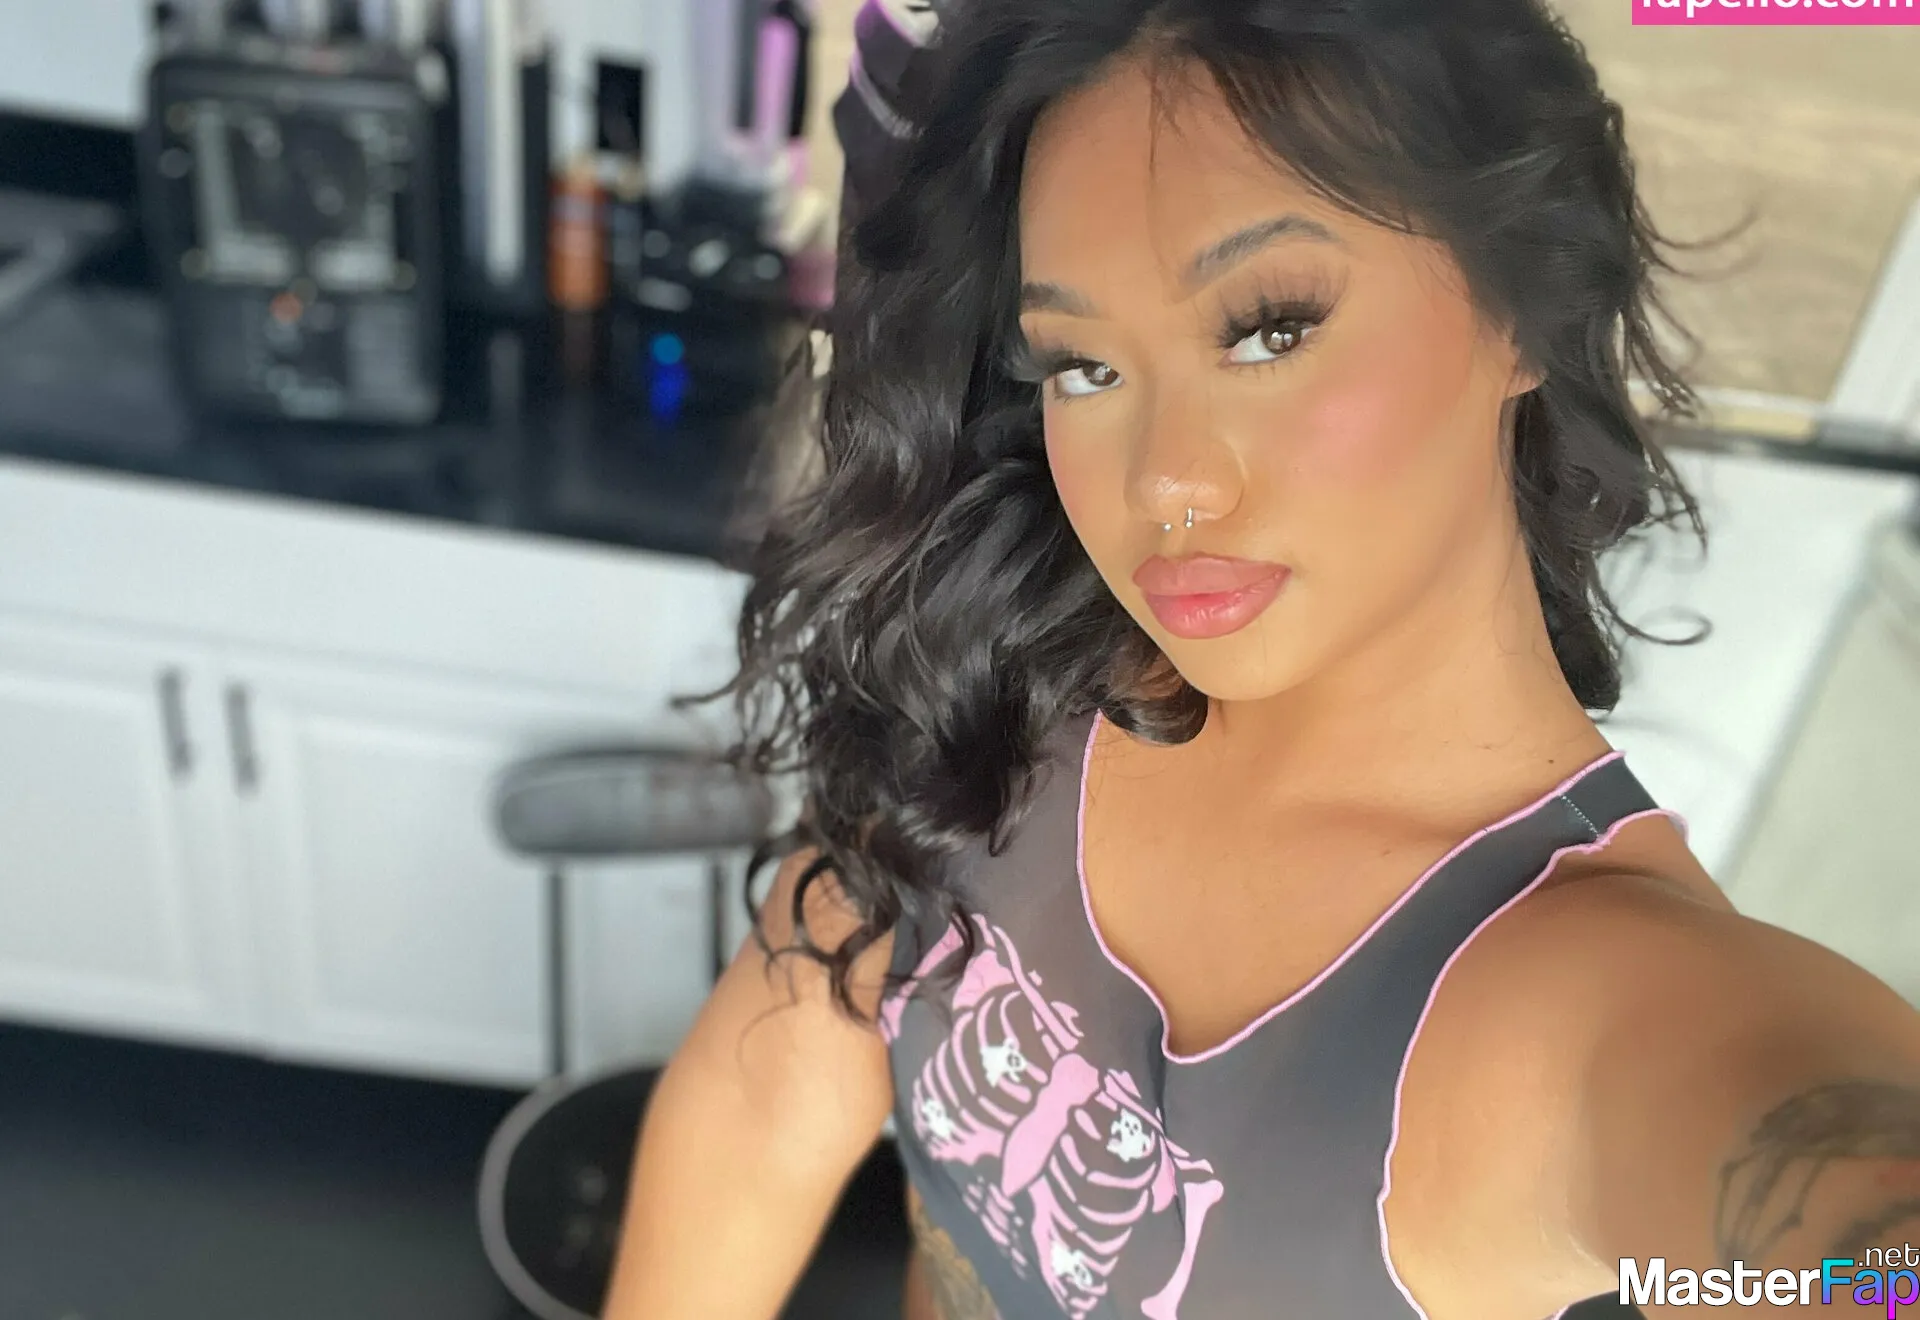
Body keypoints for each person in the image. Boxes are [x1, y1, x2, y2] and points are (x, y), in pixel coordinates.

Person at [604, 1, 1920, 1317]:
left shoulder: (1582, 1002)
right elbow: (771, 1085)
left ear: (1524, 308)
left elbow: (1854, 1234)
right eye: (1084, 367)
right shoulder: (1013, 660)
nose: (1166, 483)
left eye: (1271, 329)